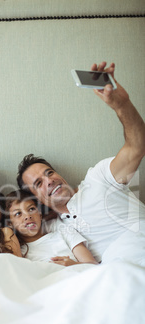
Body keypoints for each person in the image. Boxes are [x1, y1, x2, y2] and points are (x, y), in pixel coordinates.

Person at [16, 62, 145, 263]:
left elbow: (137, 146)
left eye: (49, 173)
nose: (48, 181)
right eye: (38, 184)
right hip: (118, 276)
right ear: (37, 200)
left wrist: (122, 106)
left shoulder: (98, 178)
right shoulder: (55, 229)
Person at [5, 190, 97, 265]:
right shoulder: (19, 252)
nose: (27, 216)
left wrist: (73, 265)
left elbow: (93, 265)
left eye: (31, 209)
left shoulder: (63, 233)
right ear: (10, 224)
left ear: (40, 214)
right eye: (18, 213)